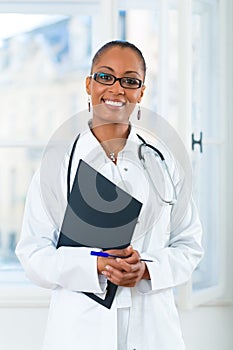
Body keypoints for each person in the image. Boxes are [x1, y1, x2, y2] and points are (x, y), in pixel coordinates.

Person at [16, 40, 203, 350]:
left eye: (130, 81)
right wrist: (96, 266)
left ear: (141, 92)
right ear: (89, 84)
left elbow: (190, 245)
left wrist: (145, 269)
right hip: (80, 331)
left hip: (153, 330)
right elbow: (34, 255)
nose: (117, 89)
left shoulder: (164, 161)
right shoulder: (58, 165)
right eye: (105, 76)